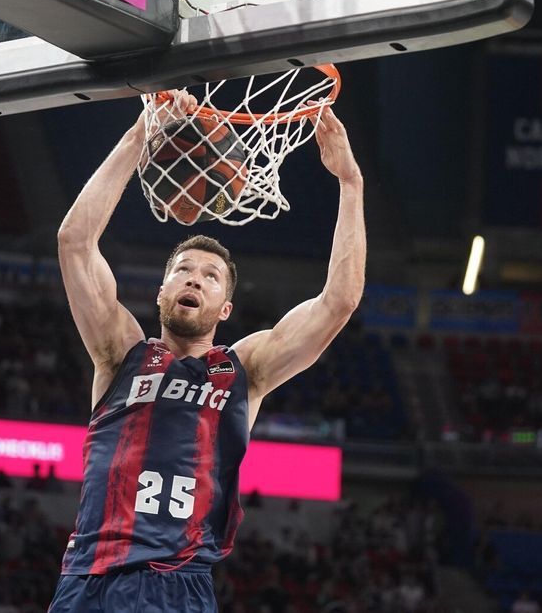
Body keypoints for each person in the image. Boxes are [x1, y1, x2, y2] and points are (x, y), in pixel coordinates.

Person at [47, 92, 365, 612]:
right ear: (161, 291)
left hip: (177, 582)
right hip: (86, 576)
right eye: (182, 270)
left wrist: (350, 184)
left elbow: (339, 302)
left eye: (210, 276)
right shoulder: (118, 350)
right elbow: (74, 242)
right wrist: (143, 130)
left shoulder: (245, 370)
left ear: (224, 309)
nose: (194, 278)